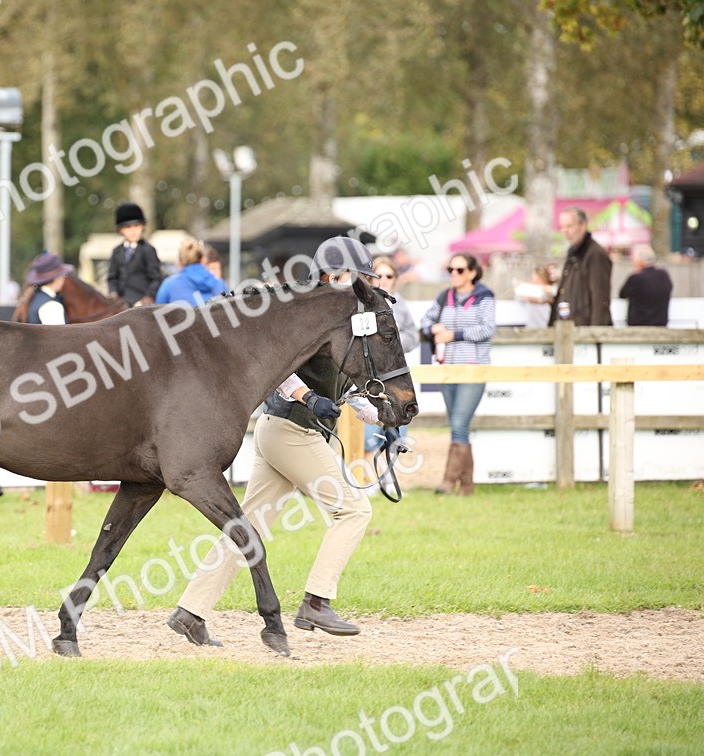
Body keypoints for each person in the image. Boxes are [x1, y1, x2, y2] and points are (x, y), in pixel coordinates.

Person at [167, 237, 400, 652]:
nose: (364, 285)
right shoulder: (303, 315)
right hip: (293, 431)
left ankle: (190, 611)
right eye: (358, 277)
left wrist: (385, 417)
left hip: (280, 431)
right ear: (331, 276)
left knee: (249, 526)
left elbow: (348, 392)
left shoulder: (340, 319)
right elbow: (273, 368)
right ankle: (316, 602)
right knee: (354, 511)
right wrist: (308, 397)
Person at [419, 252, 496, 496]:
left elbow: (487, 329)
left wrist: (454, 335)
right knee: (457, 425)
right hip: (447, 370)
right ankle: (467, 486)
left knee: (459, 423)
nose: (454, 274)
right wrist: (433, 328)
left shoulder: (485, 297)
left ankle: (447, 481)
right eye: (451, 269)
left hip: (473, 369)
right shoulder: (444, 296)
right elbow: (425, 321)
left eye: (460, 270)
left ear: (472, 273)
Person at [364, 256, 418, 461]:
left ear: (395, 278)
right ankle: (367, 475)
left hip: (395, 375)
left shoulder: (401, 304)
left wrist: (392, 342)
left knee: (396, 431)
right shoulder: (362, 302)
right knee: (368, 433)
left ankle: (389, 474)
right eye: (379, 275)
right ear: (370, 277)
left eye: (389, 275)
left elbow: (413, 337)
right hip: (369, 375)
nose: (384, 280)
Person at [551, 207, 613, 326]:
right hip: (569, 327)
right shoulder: (573, 253)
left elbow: (600, 299)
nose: (565, 231)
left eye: (569, 226)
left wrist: (595, 333)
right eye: (562, 227)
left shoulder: (595, 254)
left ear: (583, 225)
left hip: (584, 329)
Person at [107, 202, 163, 307]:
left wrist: (148, 296)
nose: (133, 231)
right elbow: (112, 277)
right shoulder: (117, 251)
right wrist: (113, 292)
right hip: (121, 302)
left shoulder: (148, 250)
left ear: (143, 226)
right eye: (128, 227)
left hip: (141, 302)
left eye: (136, 226)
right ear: (120, 230)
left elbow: (156, 278)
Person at [155, 238, 227, 305]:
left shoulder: (169, 285)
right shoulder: (220, 284)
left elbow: (157, 312)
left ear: (179, 262)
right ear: (203, 260)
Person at [619, 244, 673, 326]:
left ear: (640, 262)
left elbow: (622, 294)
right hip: (661, 325)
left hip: (639, 326)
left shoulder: (636, 278)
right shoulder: (664, 276)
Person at [25, 252, 72, 325]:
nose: (64, 278)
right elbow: (58, 332)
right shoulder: (52, 305)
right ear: (56, 277)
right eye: (64, 274)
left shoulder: (36, 296)